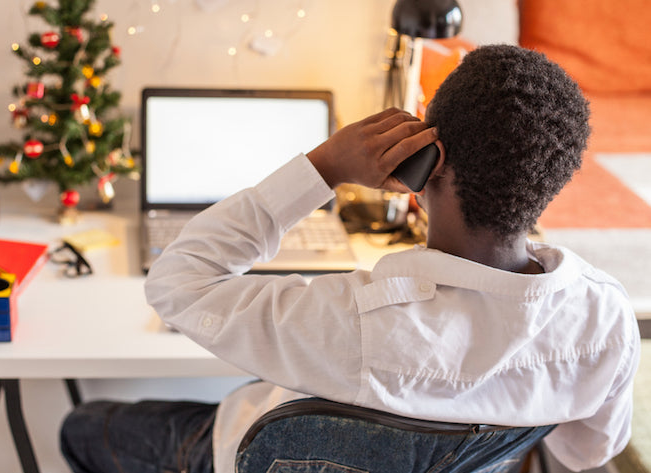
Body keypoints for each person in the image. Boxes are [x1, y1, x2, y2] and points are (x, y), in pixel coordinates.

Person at [60, 45, 640, 473]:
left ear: (427, 159)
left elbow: (177, 282)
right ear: (551, 181)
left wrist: (324, 168)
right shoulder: (605, 320)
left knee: (81, 426)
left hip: (242, 455)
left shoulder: (355, 320)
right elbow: (586, 450)